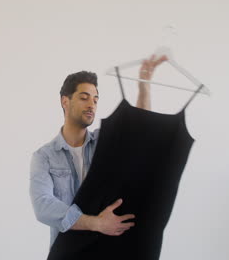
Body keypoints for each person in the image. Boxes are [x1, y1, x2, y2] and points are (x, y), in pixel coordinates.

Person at [29, 55, 168, 250]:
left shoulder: (105, 142)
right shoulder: (44, 156)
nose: (91, 105)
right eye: (84, 98)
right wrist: (96, 223)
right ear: (65, 101)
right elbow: (43, 207)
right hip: (66, 252)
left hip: (108, 250)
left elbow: (139, 132)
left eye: (95, 99)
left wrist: (143, 87)